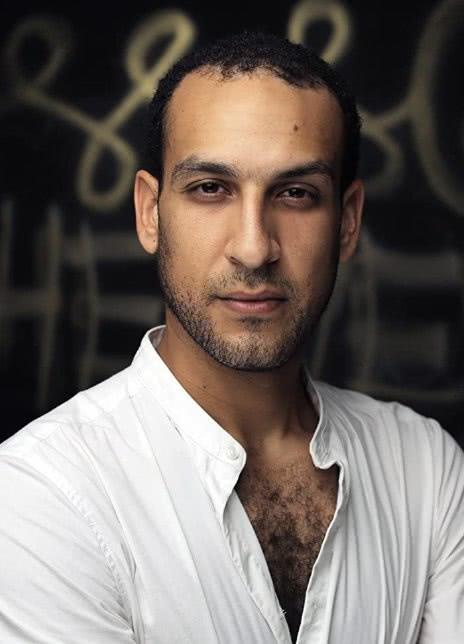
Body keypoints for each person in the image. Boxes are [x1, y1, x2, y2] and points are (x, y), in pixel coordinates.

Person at [0, 30, 462, 644]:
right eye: (210, 188)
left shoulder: (424, 469)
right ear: (150, 212)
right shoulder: (43, 494)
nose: (253, 247)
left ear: (347, 222)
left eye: (295, 194)